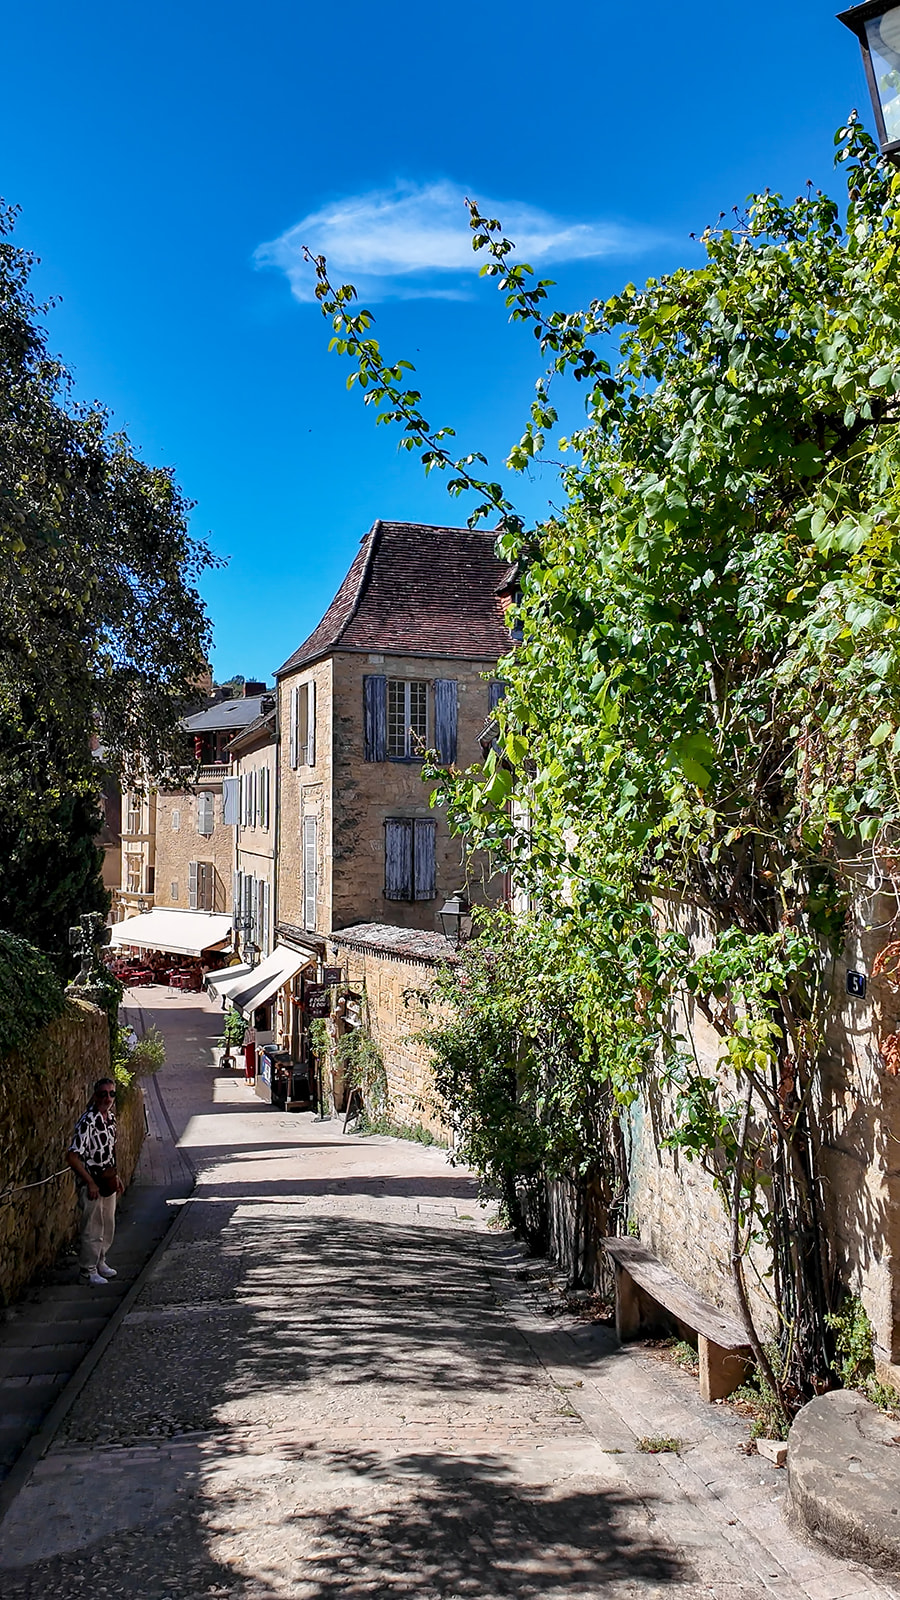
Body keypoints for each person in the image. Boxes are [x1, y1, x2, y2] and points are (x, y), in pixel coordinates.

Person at [66, 1079, 125, 1286]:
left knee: (107, 1223)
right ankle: (87, 1270)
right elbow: (73, 1156)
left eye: (111, 1094)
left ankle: (100, 1261)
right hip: (92, 1182)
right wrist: (90, 1182)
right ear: (95, 1095)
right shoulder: (88, 1121)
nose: (107, 1098)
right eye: (102, 1094)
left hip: (107, 1181)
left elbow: (110, 1151)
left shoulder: (110, 1120)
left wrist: (116, 1176)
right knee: (92, 1227)